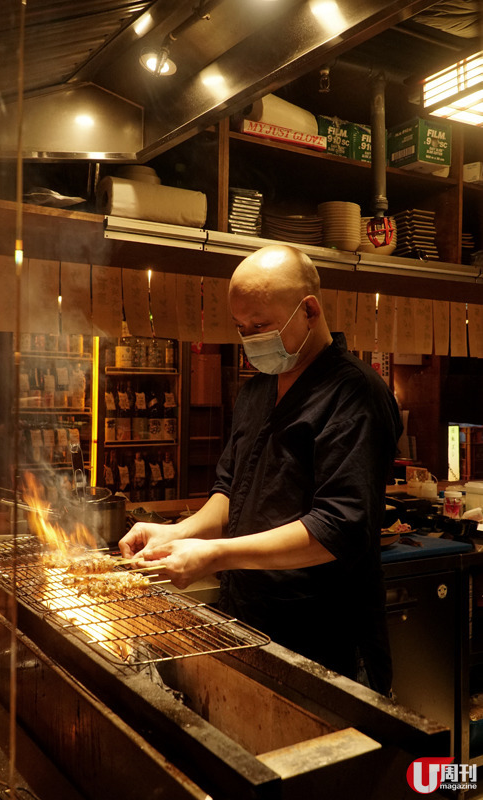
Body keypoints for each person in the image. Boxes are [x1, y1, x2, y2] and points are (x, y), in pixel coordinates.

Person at [119, 244, 402, 695]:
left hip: (328, 637)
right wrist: (179, 533)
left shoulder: (355, 394)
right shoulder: (256, 393)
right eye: (241, 328)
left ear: (309, 310)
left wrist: (216, 554)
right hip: (252, 619)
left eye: (262, 326)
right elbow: (232, 492)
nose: (251, 339)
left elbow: (338, 528)